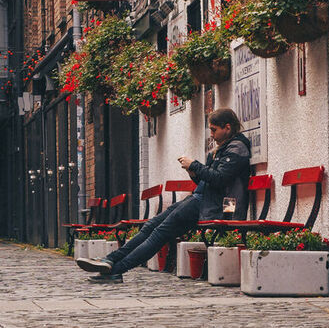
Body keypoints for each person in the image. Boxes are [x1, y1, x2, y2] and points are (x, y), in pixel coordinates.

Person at [77, 109, 254, 284]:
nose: (212, 134)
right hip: (201, 199)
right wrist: (193, 172)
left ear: (228, 128)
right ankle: (110, 260)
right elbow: (208, 180)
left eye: (214, 130)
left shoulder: (237, 148)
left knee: (158, 234)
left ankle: (115, 270)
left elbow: (221, 179)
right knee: (150, 226)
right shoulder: (223, 148)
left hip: (212, 205)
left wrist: (196, 165)